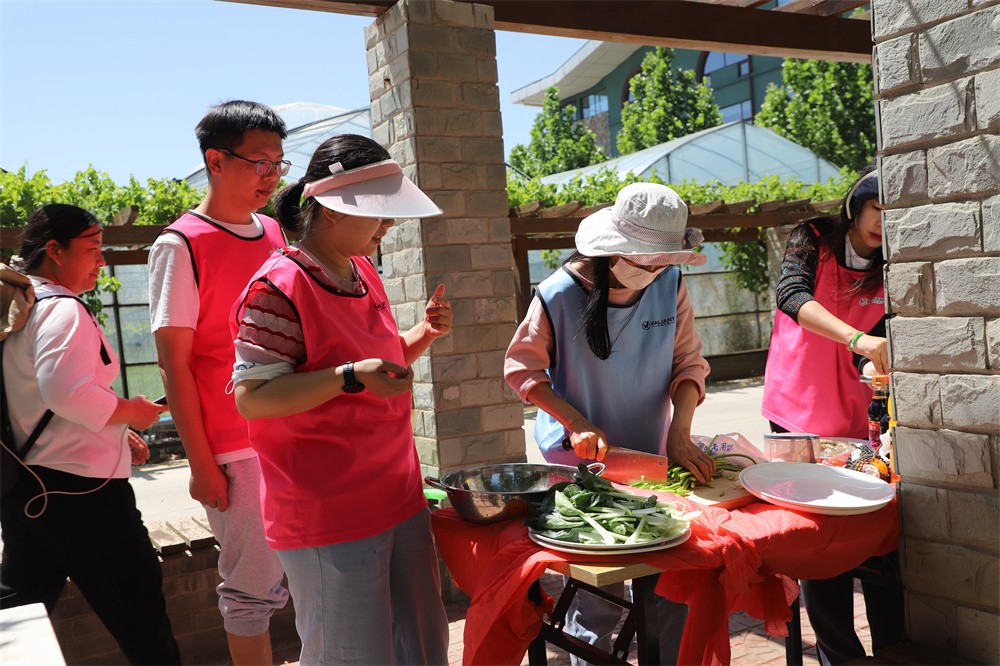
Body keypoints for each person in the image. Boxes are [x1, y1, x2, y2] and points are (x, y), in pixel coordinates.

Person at [230, 133, 451, 665]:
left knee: (422, 644)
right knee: (352, 655)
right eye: (379, 212)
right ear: (331, 209)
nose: (389, 224)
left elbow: (377, 364)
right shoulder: (277, 288)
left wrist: (422, 335)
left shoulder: (362, 270)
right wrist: (348, 376)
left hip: (397, 494)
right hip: (329, 512)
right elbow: (253, 398)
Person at [504, 182, 715, 663]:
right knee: (599, 598)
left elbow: (688, 364)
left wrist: (679, 433)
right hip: (584, 464)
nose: (656, 271)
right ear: (612, 249)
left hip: (651, 458)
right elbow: (522, 371)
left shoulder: (670, 283)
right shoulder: (558, 293)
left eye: (663, 262)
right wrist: (576, 422)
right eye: (648, 261)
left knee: (672, 584)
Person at [1, 204, 180, 664]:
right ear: (55, 250)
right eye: (93, 248)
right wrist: (131, 412)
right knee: (141, 617)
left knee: (17, 611)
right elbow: (67, 393)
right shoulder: (62, 309)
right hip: (85, 496)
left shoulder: (20, 306)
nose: (102, 259)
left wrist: (116, 428)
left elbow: (37, 399)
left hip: (25, 489)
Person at [148, 100, 289, 665]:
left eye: (278, 163)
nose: (271, 175)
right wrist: (201, 463)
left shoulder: (275, 231)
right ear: (215, 160)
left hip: (290, 431)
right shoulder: (180, 243)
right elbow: (173, 364)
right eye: (259, 162)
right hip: (233, 446)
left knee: (304, 570)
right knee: (251, 590)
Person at [761, 166, 904, 664]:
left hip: (859, 415)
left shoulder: (895, 261)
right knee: (819, 544)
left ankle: (893, 649)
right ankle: (840, 656)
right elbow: (791, 296)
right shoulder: (814, 237)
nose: (883, 223)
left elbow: (883, 334)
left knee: (879, 535)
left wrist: (869, 358)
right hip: (798, 408)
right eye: (877, 209)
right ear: (854, 207)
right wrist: (857, 338)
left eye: (894, 215)